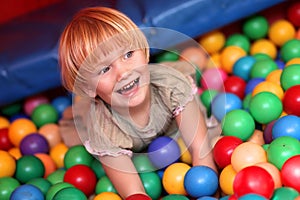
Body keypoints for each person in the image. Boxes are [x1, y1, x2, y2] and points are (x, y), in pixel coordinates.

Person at [58, 6, 218, 199]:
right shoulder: (103, 129)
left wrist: (208, 191)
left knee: (212, 132)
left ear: (144, 52)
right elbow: (134, 193)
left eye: (128, 54)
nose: (124, 72)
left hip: (167, 96)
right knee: (79, 125)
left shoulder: (172, 87)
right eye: (105, 69)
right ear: (89, 88)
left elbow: (202, 156)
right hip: (104, 117)